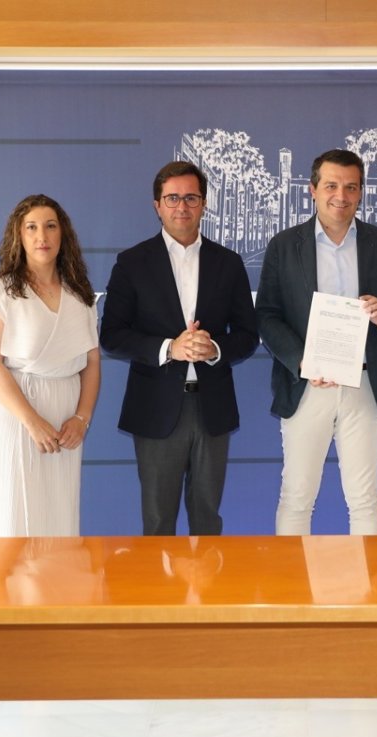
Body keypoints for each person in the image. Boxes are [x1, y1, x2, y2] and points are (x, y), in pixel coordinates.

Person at [256, 148, 377, 535]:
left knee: (365, 499)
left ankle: (366, 578)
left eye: (351, 187)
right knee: (296, 498)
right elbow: (267, 315)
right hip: (307, 385)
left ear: (361, 192)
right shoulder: (284, 245)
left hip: (363, 384)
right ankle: (293, 578)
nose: (340, 196)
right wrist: (302, 361)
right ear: (312, 189)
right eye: (331, 186)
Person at [100, 161, 258, 535]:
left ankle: (207, 578)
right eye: (172, 198)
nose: (182, 206)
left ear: (204, 204)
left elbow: (248, 335)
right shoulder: (132, 263)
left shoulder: (228, 263)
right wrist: (170, 348)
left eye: (191, 198)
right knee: (158, 522)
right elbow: (112, 335)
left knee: (207, 519)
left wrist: (214, 349)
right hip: (155, 408)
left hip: (212, 407)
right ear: (157, 205)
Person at [0, 195, 100, 536]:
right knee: (13, 520)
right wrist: (32, 422)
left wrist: (81, 419)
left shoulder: (80, 294)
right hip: (17, 417)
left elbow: (91, 362)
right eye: (31, 227)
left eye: (50, 226)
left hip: (66, 423)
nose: (41, 236)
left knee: (57, 519)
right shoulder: (0, 291)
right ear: (19, 235)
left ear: (63, 234)